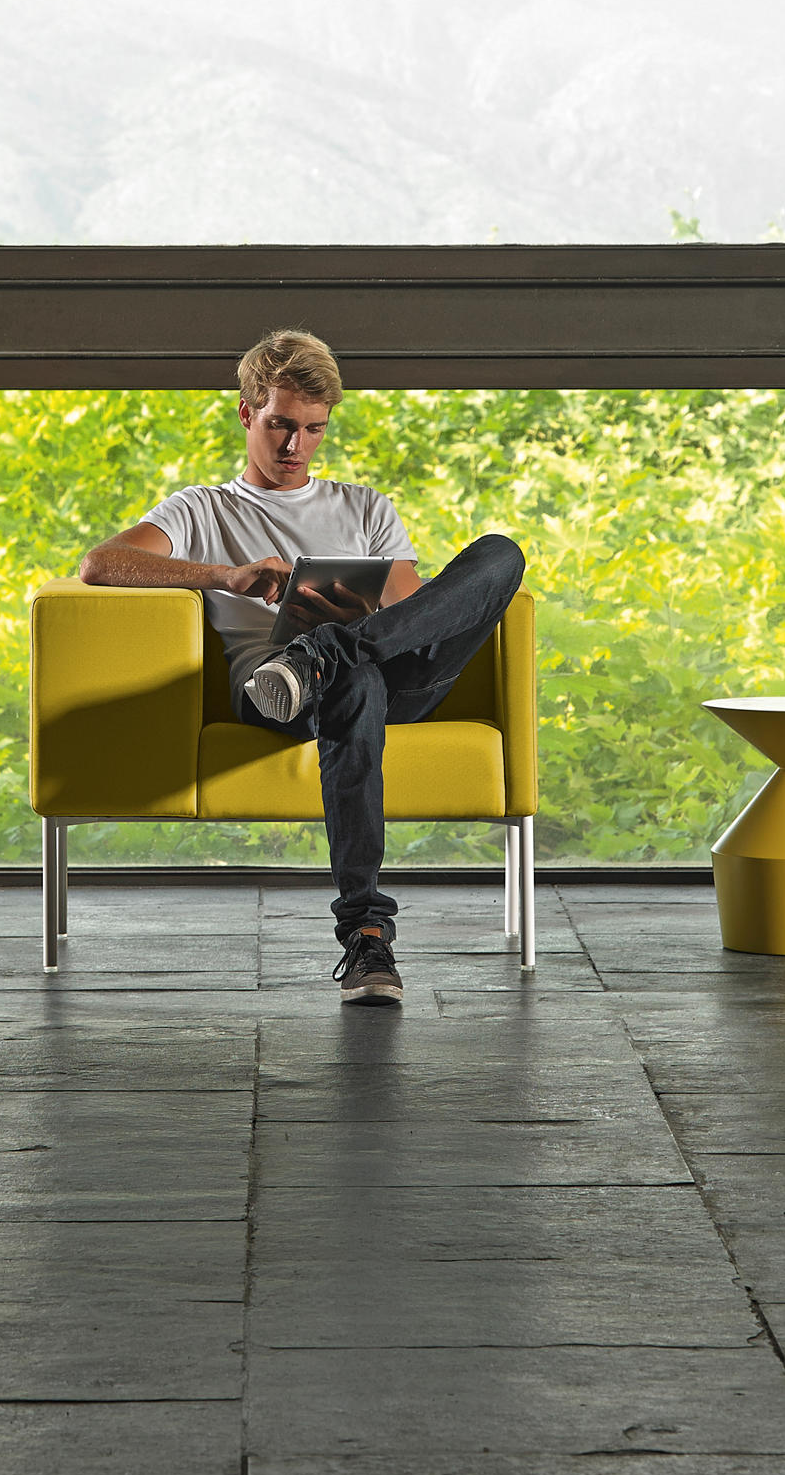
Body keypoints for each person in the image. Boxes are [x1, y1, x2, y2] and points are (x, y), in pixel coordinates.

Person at [79, 329, 526, 1006]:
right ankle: (367, 933)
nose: (296, 446)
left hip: (388, 670)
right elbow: (100, 564)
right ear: (246, 413)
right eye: (281, 425)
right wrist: (228, 575)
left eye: (313, 429)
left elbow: (414, 611)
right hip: (277, 688)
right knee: (356, 681)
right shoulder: (203, 509)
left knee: (499, 554)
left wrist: (357, 621)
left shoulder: (365, 507)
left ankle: (329, 651)